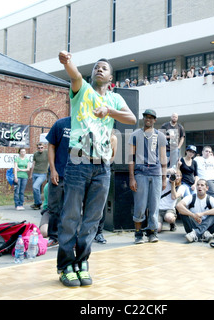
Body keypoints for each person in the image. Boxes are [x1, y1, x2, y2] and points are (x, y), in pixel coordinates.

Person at [57, 51, 136, 287]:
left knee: (92, 219)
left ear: (110, 77)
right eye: (96, 67)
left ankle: (82, 262)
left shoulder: (114, 99)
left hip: (102, 165)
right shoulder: (82, 90)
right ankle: (65, 266)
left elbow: (131, 119)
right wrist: (68, 62)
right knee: (71, 216)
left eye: (104, 68)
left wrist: (109, 111)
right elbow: (73, 74)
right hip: (78, 160)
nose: (99, 69)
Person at [129, 109, 167, 244]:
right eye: (146, 117)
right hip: (141, 173)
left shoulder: (160, 136)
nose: (148, 119)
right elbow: (131, 158)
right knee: (140, 205)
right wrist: (131, 178)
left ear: (155, 120)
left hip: (156, 174)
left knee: (154, 205)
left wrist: (164, 178)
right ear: (143, 118)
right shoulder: (134, 135)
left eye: (151, 117)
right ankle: (138, 234)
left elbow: (163, 159)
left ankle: (152, 232)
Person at [40, 116, 71, 248]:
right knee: (54, 207)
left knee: (73, 209)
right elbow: (51, 146)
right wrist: (53, 169)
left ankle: (70, 237)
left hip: (77, 175)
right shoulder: (61, 124)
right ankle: (54, 237)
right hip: (58, 173)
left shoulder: (86, 124)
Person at [176, 179, 214, 243]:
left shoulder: (210, 199)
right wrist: (193, 215)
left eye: (202, 185)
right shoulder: (191, 197)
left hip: (207, 226)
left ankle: (196, 233)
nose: (199, 186)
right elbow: (178, 206)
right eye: (198, 185)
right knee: (182, 211)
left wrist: (202, 214)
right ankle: (202, 234)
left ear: (207, 188)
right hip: (193, 225)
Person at [157, 168, 188, 233]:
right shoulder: (165, 181)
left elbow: (174, 197)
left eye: (178, 176)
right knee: (157, 229)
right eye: (175, 175)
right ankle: (160, 223)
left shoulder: (182, 187)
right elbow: (157, 174)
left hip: (169, 209)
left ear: (181, 177)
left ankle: (172, 223)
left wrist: (173, 183)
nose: (176, 177)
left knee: (169, 218)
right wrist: (167, 171)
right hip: (159, 209)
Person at [30, 142, 49, 210]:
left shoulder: (47, 152)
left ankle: (38, 203)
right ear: (37, 148)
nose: (40, 149)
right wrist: (31, 174)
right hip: (35, 172)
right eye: (39, 148)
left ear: (44, 147)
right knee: (35, 188)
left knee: (35, 186)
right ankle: (36, 204)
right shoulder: (35, 154)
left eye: (42, 148)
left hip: (43, 173)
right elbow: (33, 164)